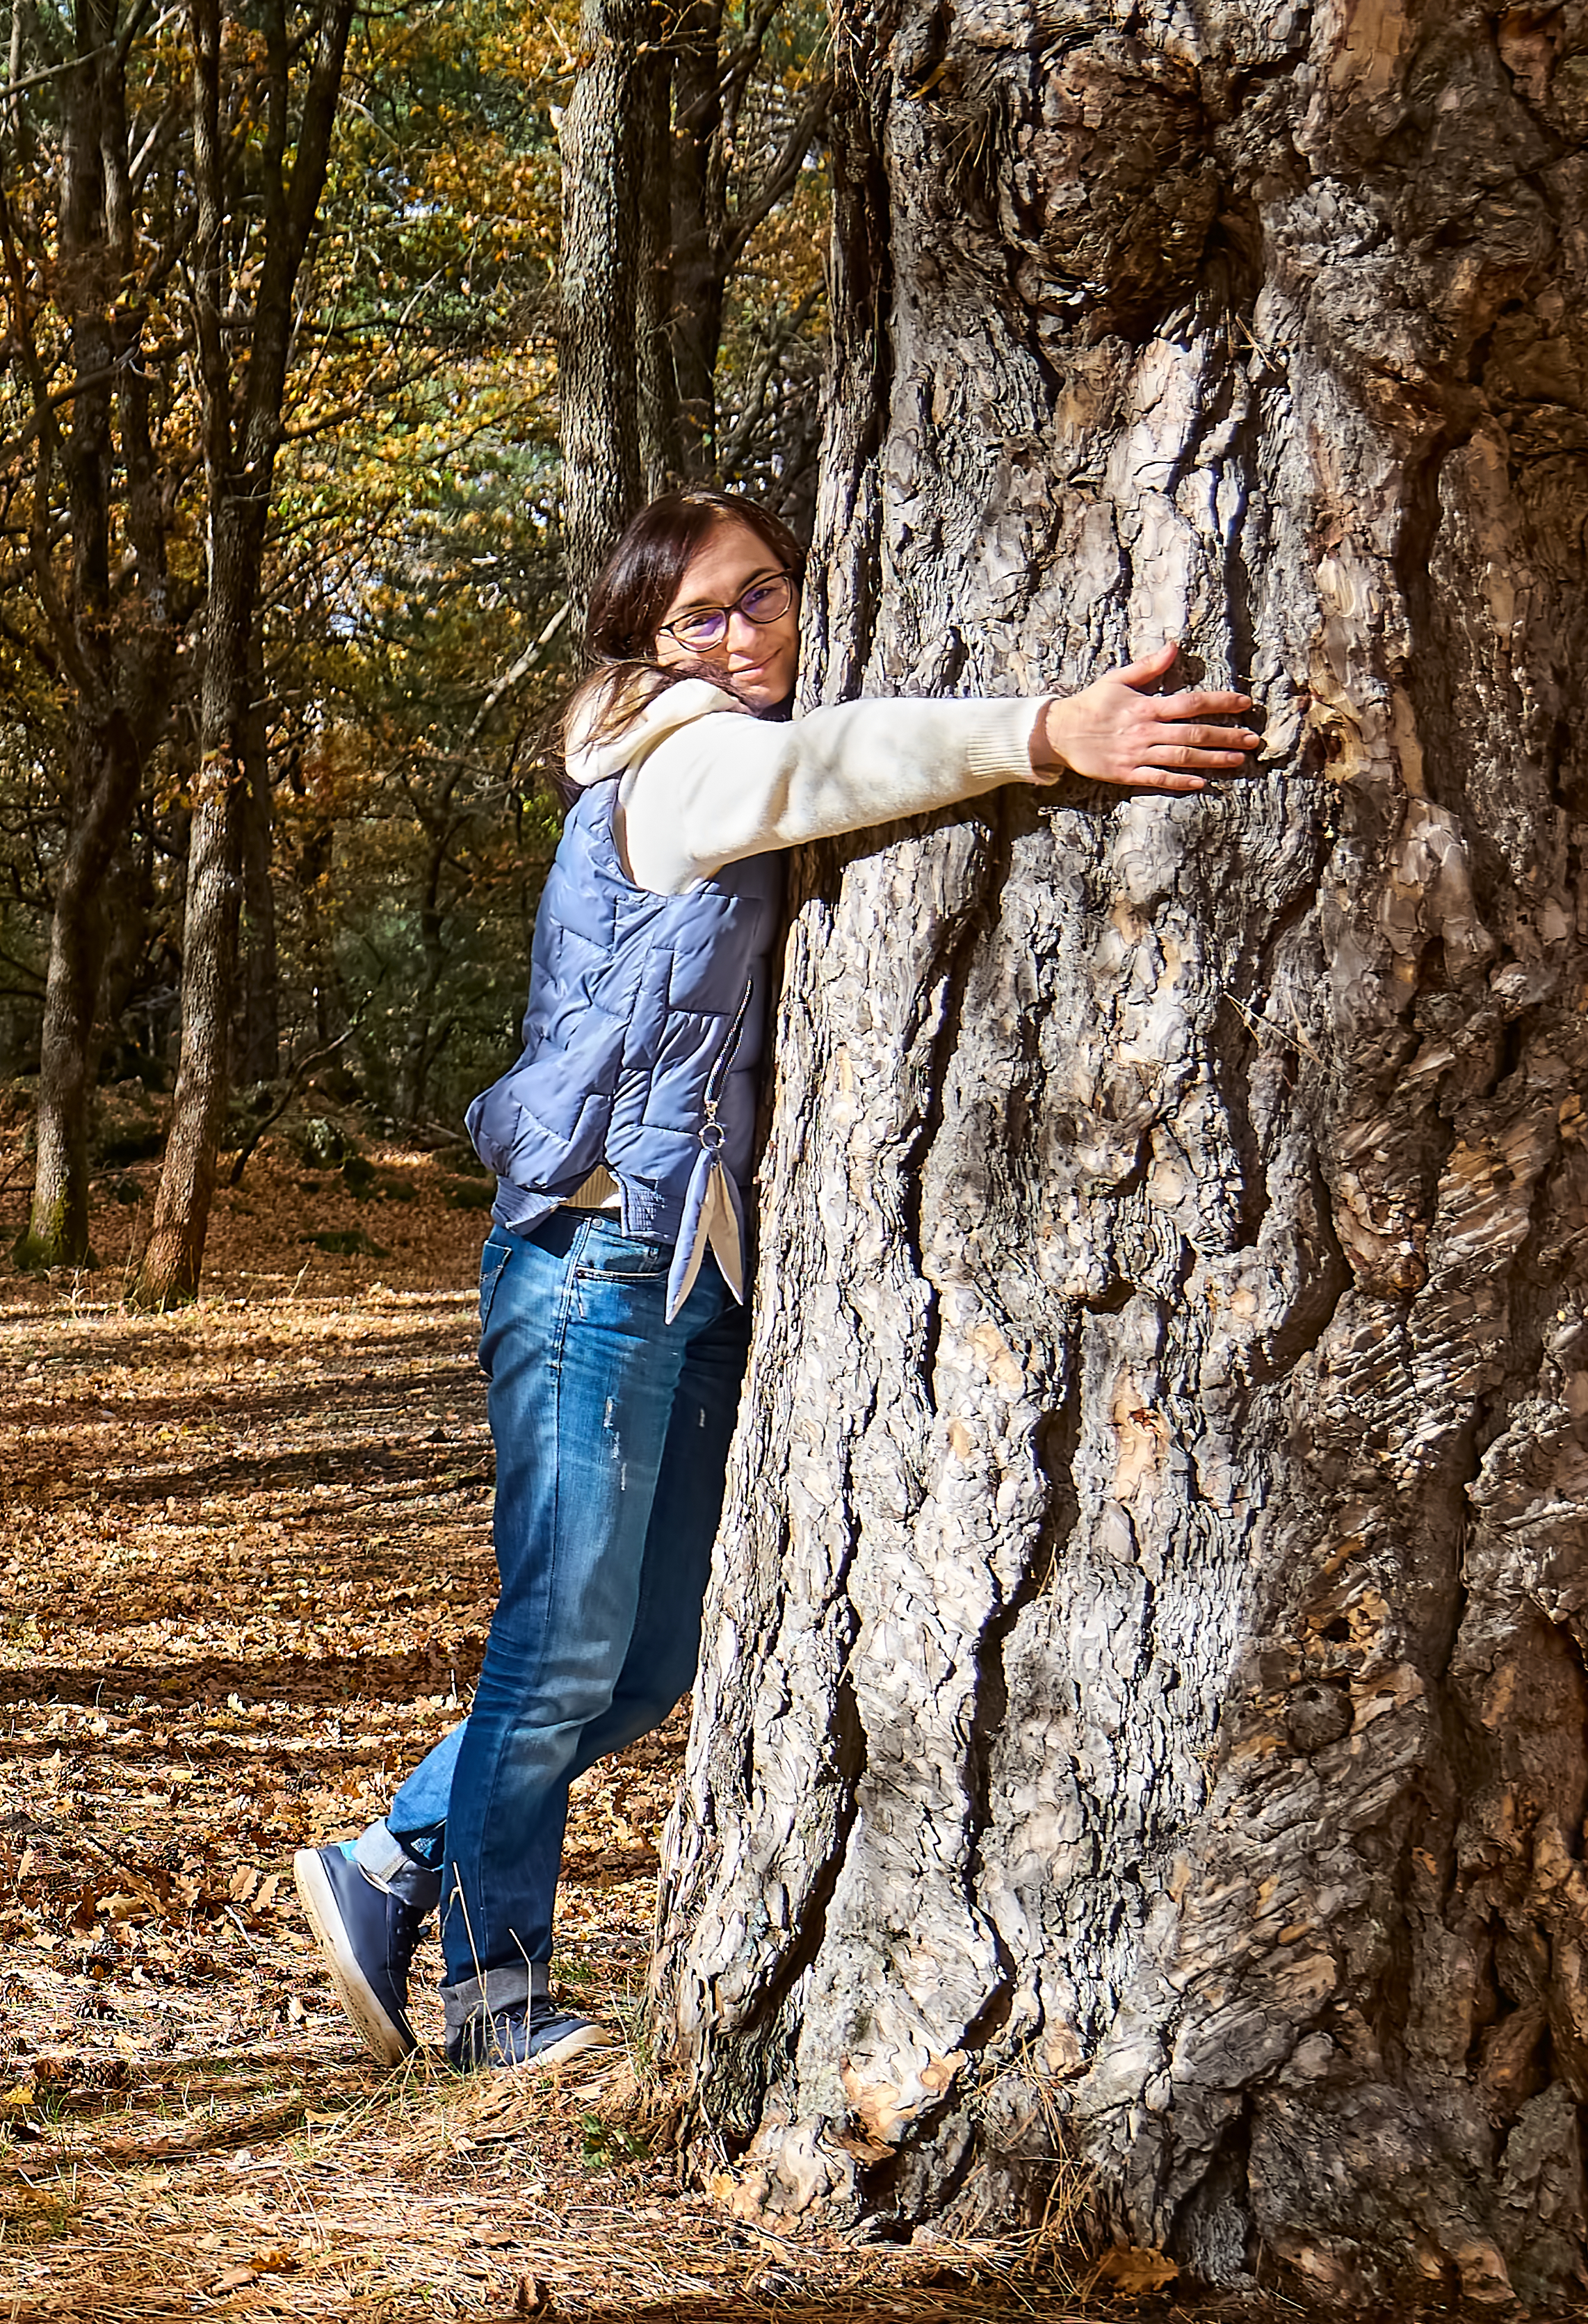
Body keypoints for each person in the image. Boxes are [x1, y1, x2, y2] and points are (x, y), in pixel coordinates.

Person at [295, 487, 1266, 2072]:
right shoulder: (681, 757)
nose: (747, 634)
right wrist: (1050, 730)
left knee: (654, 1655)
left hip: (690, 1263)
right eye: (704, 615)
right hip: (593, 1251)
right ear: (649, 648)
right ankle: (486, 1987)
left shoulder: (694, 741)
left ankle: (397, 1859)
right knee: (559, 1641)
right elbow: (822, 769)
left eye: (765, 595)